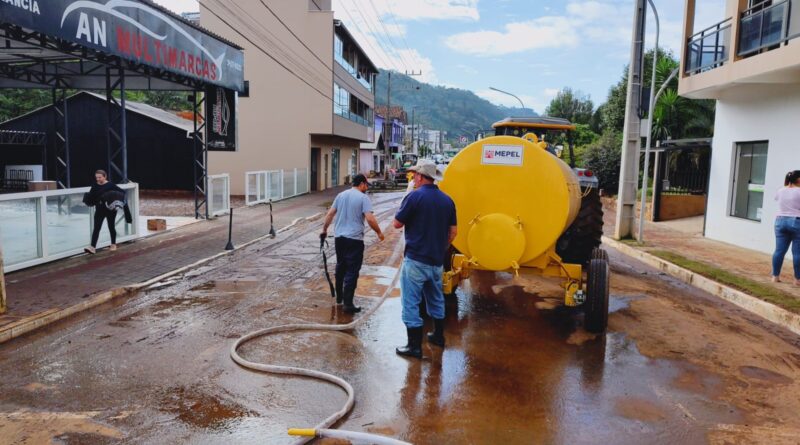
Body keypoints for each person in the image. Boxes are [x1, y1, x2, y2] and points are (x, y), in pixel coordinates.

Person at [393, 160, 457, 359]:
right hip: (436, 262)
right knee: (436, 299)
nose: (413, 179)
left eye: (414, 176)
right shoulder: (448, 200)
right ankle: (438, 336)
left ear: (420, 177)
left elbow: (396, 223)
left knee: (411, 302)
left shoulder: (414, 197)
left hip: (415, 260)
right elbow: (453, 232)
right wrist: (440, 247)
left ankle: (414, 346)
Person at [321, 174, 385, 313]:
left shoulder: (341, 195)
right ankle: (348, 303)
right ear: (362, 184)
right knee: (352, 270)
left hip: (339, 239)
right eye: (366, 185)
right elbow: (370, 218)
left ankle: (339, 299)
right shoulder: (363, 198)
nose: (366, 188)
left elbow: (330, 214)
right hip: (354, 240)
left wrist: (324, 230)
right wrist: (379, 232)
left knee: (341, 267)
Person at [84, 170, 125, 254]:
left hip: (110, 210)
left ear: (105, 176)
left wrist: (116, 203)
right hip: (99, 209)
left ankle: (113, 244)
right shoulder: (95, 185)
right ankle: (92, 247)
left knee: (111, 226)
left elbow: (122, 192)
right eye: (96, 177)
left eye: (100, 177)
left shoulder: (110, 185)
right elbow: (92, 195)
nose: (98, 179)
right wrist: (88, 199)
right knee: (96, 228)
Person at [772, 170, 800, 286]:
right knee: (797, 253)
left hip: (780, 221)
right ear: (798, 180)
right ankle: (797, 280)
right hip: (796, 222)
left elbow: (777, 199)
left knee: (779, 251)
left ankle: (775, 276)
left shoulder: (780, 190)